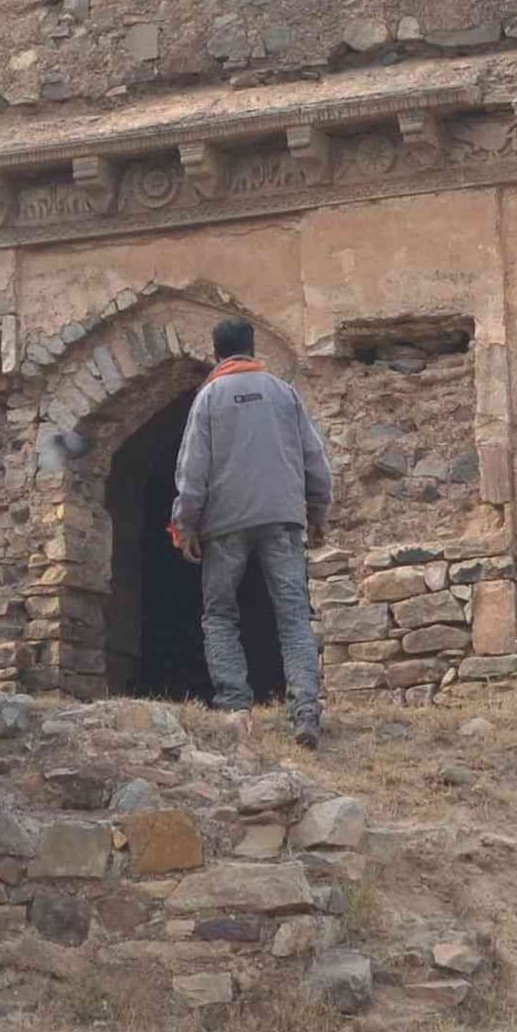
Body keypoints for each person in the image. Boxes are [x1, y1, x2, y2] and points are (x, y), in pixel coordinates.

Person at [167, 316, 336, 746]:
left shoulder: (209, 398)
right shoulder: (284, 393)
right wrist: (317, 513)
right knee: (294, 616)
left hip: (224, 525)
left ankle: (234, 707)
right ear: (253, 347)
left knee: (220, 615)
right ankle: (305, 714)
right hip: (282, 519)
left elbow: (192, 471)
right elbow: (315, 459)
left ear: (216, 352)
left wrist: (185, 524)